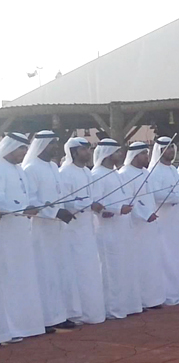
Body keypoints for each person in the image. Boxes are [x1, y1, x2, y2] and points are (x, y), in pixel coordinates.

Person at [22, 130, 78, 332]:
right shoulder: (30, 169)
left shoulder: (54, 166)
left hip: (57, 230)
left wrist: (65, 210)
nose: (55, 146)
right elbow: (31, 201)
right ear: (41, 145)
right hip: (41, 231)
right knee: (45, 273)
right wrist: (55, 212)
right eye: (51, 143)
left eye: (56, 143)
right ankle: (46, 318)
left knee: (59, 271)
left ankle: (59, 315)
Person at [0, 132, 47, 341]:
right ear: (10, 147)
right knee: (7, 277)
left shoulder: (19, 170)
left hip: (20, 231)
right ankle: (8, 329)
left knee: (22, 276)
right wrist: (20, 209)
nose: (24, 152)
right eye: (20, 148)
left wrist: (32, 207)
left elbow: (26, 197)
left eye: (25, 149)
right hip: (6, 232)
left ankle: (24, 325)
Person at [92, 138, 141, 319]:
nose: (120, 154)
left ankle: (125, 305)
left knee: (123, 267)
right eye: (117, 152)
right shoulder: (96, 175)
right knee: (110, 270)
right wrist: (115, 209)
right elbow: (96, 205)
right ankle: (112, 309)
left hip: (122, 229)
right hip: (107, 231)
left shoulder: (115, 173)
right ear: (107, 153)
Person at [59, 137, 106, 325]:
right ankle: (76, 313)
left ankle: (91, 311)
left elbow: (92, 197)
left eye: (89, 148)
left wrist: (97, 205)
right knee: (76, 270)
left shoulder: (87, 172)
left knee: (90, 270)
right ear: (74, 152)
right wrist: (88, 205)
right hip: (72, 231)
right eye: (84, 149)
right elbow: (65, 202)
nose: (88, 152)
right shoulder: (65, 173)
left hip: (87, 229)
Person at [148, 137, 179, 306]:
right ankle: (169, 294)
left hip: (178, 221)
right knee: (167, 257)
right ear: (159, 151)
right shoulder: (154, 172)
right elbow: (155, 195)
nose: (171, 151)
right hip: (165, 222)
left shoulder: (174, 170)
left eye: (172, 148)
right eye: (167, 148)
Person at [119, 142, 165, 309]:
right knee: (139, 262)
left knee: (152, 261)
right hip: (136, 226)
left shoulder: (146, 172)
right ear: (134, 155)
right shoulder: (125, 174)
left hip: (150, 225)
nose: (147, 157)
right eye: (144, 154)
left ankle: (153, 299)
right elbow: (130, 200)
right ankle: (141, 300)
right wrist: (145, 214)